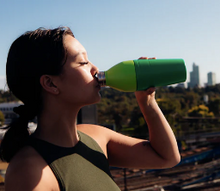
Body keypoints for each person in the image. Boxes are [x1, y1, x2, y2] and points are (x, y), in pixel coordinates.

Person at [0, 26, 181, 191]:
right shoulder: (28, 173)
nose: (95, 68)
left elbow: (167, 157)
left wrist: (147, 101)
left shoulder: (96, 137)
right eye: (83, 62)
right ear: (50, 83)